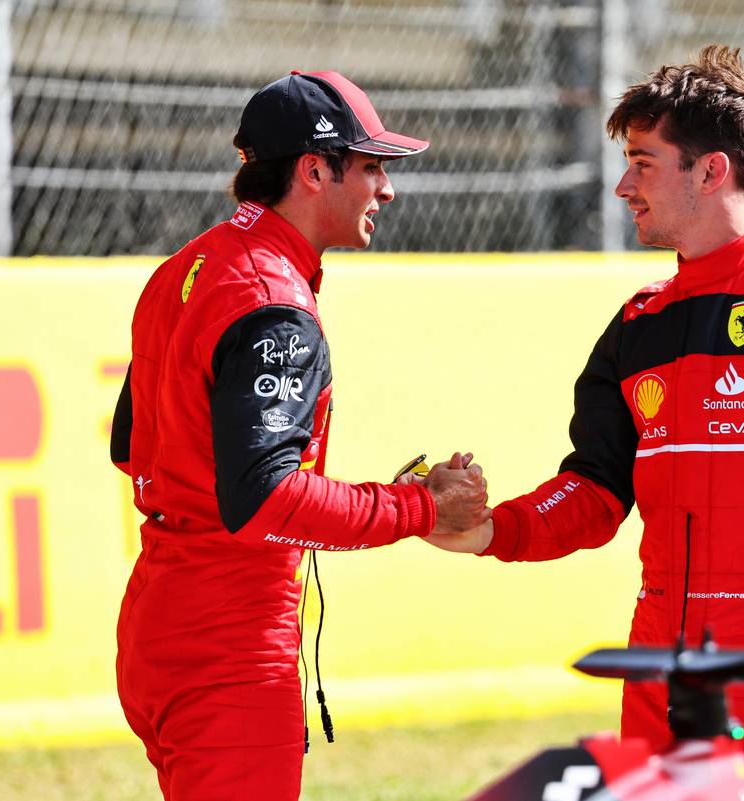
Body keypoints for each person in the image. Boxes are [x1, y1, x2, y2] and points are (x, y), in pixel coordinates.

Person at [427, 46, 744, 791]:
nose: (621, 185)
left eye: (643, 163)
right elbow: (595, 493)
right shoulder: (638, 324)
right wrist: (484, 529)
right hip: (656, 664)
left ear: (711, 171)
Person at [109, 70, 490, 801]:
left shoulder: (184, 269)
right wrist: (418, 508)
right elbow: (265, 499)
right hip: (232, 642)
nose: (388, 188)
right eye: (373, 165)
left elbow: (133, 447)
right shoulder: (274, 301)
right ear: (315, 171)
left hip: (159, 624)